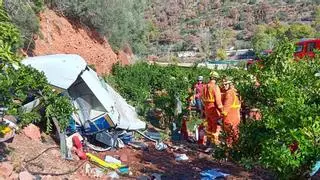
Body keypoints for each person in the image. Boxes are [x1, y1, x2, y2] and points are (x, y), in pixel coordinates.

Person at [202, 71, 224, 147]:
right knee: (216, 128)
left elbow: (202, 98)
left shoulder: (204, 87)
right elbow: (218, 102)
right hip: (214, 109)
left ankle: (208, 144)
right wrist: (222, 111)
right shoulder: (215, 87)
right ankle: (214, 146)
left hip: (207, 109)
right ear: (216, 78)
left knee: (209, 126)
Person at [221, 77, 241, 147]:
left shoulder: (229, 93)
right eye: (223, 84)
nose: (224, 86)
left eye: (226, 84)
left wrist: (220, 117)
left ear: (230, 84)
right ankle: (237, 150)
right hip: (237, 117)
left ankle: (229, 152)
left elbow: (225, 109)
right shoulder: (235, 91)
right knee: (235, 135)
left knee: (229, 136)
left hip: (229, 118)